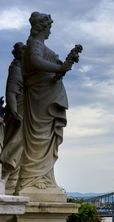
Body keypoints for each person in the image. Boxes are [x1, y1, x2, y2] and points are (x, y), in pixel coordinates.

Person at [16, 12, 73, 197]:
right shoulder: (35, 44)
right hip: (40, 98)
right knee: (39, 137)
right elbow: (35, 61)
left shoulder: (37, 44)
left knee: (46, 138)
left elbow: (40, 64)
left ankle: (44, 176)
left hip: (45, 96)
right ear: (43, 27)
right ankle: (33, 178)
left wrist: (59, 70)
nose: (50, 30)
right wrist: (58, 68)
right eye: (49, 27)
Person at [0, 42, 26, 195]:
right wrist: (15, 112)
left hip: (24, 111)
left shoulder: (24, 70)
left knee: (21, 145)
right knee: (17, 142)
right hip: (19, 112)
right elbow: (11, 92)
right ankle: (5, 175)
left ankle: (12, 179)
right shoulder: (16, 69)